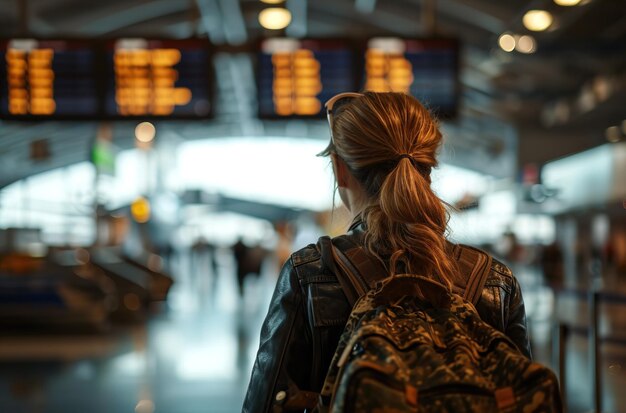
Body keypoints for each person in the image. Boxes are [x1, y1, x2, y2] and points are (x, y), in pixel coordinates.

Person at [242, 92, 531, 412]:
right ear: (428, 170)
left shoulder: (310, 274)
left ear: (340, 170)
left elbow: (265, 404)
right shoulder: (494, 280)